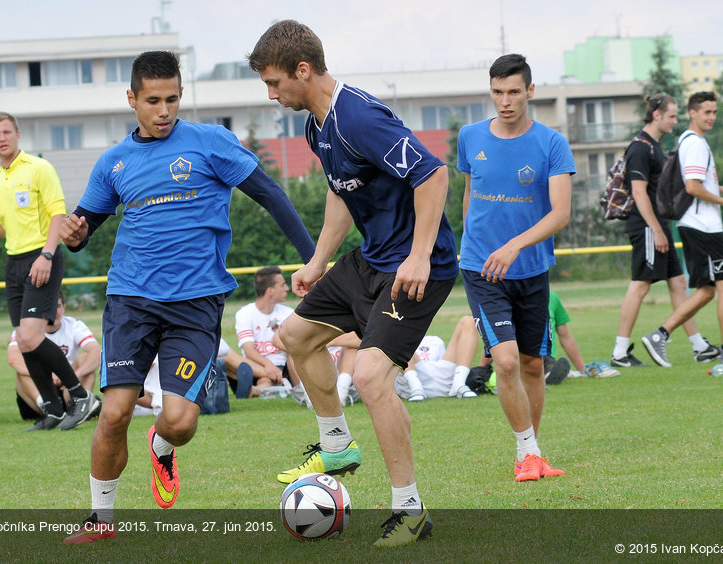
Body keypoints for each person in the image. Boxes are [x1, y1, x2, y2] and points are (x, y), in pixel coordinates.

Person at [59, 50, 314, 544]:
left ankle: (162, 444)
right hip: (131, 301)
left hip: (196, 306)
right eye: (152, 100)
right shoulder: (113, 162)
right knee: (113, 412)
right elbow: (85, 225)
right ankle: (100, 520)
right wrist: (75, 233)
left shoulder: (210, 143)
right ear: (131, 99)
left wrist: (313, 258)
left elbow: (271, 195)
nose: (164, 111)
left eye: (172, 99)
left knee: (179, 423)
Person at [249, 20, 458, 547]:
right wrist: (318, 260)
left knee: (369, 376)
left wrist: (417, 256)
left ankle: (409, 510)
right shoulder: (317, 127)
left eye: (275, 83)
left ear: (303, 70)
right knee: (293, 337)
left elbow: (433, 176)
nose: (271, 95)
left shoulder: (357, 117)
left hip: (417, 267)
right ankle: (337, 444)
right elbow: (343, 193)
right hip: (371, 260)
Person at [457, 54, 572, 483]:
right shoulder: (469, 137)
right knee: (504, 362)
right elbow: (469, 195)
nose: (504, 101)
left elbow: (560, 213)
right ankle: (527, 452)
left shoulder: (551, 143)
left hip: (532, 270)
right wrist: (475, 245)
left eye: (513, 92)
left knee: (531, 365)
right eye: (497, 92)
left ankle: (531, 452)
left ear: (530, 92)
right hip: (482, 270)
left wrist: (514, 245)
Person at [0, 111, 98, 432]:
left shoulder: (39, 168)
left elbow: (57, 214)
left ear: (17, 134)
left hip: (42, 256)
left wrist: (47, 254)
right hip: (14, 262)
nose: (2, 138)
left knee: (30, 336)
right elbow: (3, 227)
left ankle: (82, 397)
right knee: (24, 343)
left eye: (7, 132)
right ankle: (52, 409)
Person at [642, 91, 723, 367]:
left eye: (714, 112)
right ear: (693, 113)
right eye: (706, 112)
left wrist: (722, 189)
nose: (712, 117)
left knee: (708, 290)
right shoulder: (695, 144)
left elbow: (697, 184)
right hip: (703, 227)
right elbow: (692, 187)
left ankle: (659, 335)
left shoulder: (692, 142)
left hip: (698, 226)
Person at [610, 94, 718, 368]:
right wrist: (656, 230)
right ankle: (620, 352)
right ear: (656, 115)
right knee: (641, 285)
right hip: (647, 226)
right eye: (671, 116)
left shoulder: (654, 147)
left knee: (678, 283)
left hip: (659, 226)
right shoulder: (640, 148)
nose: (675, 121)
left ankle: (699, 346)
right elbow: (639, 193)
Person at [8, 291, 101, 420]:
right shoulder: (26, 329)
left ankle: (80, 407)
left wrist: (73, 375)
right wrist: (46, 375)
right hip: (39, 389)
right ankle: (47, 406)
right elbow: (13, 359)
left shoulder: (74, 326)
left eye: (56, 306)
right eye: (48, 307)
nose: (52, 312)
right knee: (21, 373)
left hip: (68, 386)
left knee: (85, 360)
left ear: (64, 307)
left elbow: (96, 352)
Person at [234, 266, 310, 405]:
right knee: (265, 378)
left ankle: (302, 392)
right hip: (259, 366)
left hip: (285, 366)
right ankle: (257, 389)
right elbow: (249, 350)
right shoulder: (245, 313)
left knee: (292, 353)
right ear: (270, 291)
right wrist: (269, 366)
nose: (287, 288)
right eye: (282, 285)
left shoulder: (288, 313)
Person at [395, 316, 480, 401]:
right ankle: (415, 387)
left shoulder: (436, 341)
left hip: (444, 378)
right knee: (396, 330)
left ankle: (458, 384)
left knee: (468, 321)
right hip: (411, 377)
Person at [546, 291, 618, 382]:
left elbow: (565, 336)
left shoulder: (552, 298)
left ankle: (547, 372)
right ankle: (541, 374)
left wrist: (582, 369)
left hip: (547, 358)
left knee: (545, 365)